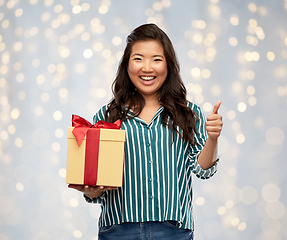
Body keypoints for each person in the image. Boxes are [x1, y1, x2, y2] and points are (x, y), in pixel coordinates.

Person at [68, 23, 223, 240]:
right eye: (138, 58)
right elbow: (96, 187)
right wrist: (91, 190)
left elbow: (202, 170)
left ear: (168, 65)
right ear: (127, 65)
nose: (147, 68)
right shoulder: (106, 116)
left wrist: (213, 138)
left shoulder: (187, 113)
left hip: (172, 230)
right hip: (118, 230)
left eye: (156, 59)